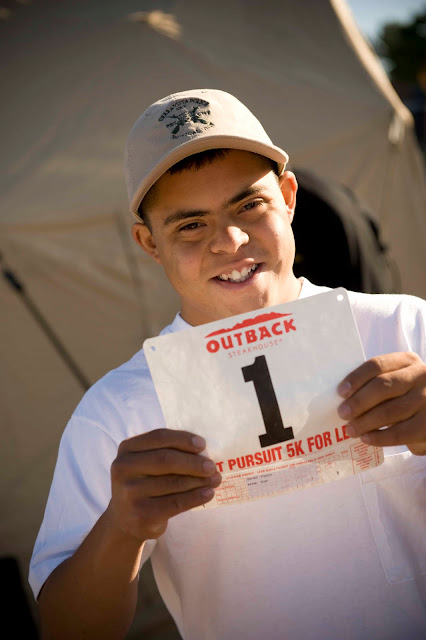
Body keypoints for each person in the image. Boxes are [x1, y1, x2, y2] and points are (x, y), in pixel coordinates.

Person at [29, 89, 426, 640]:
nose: (231, 241)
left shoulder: (409, 330)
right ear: (149, 243)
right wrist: (120, 528)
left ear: (287, 197)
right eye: (190, 225)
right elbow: (66, 629)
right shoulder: (117, 411)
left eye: (249, 205)